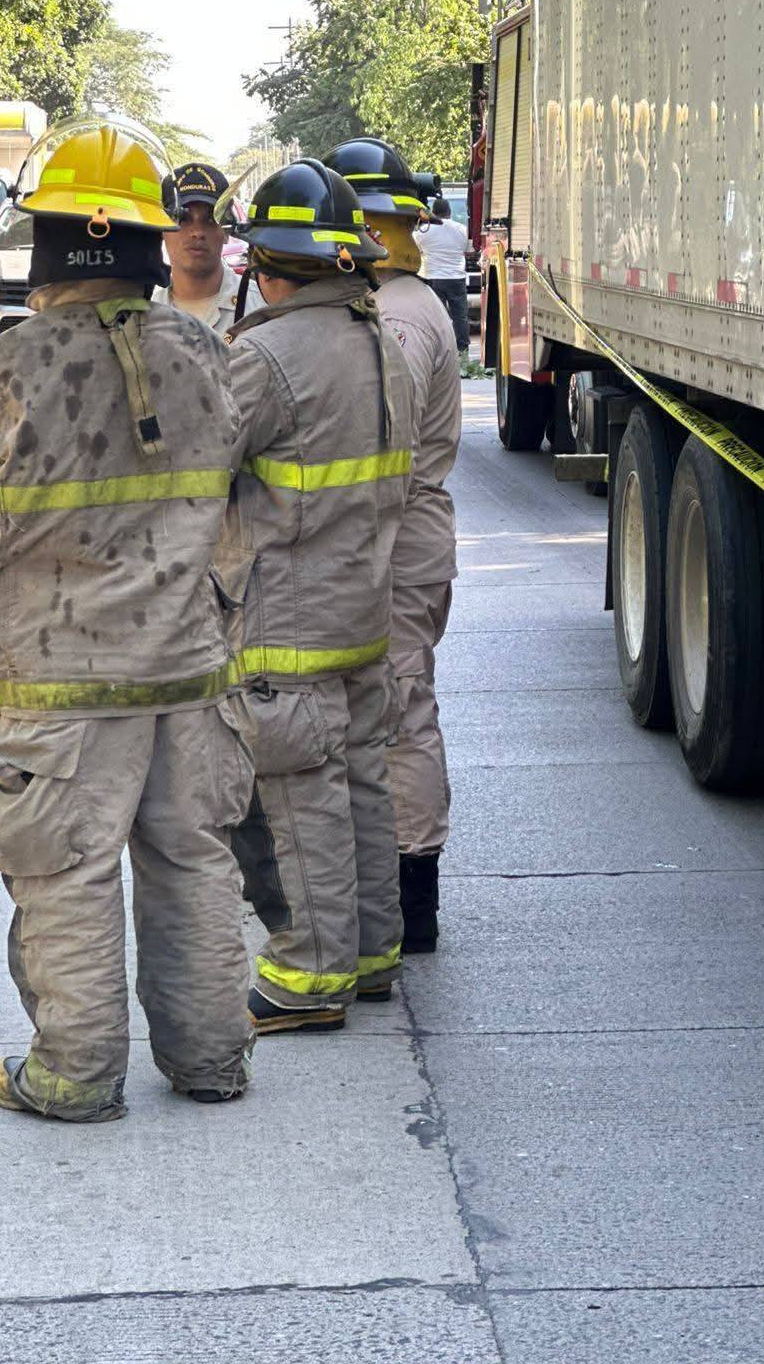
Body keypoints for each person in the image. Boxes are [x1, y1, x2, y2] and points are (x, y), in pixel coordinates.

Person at [0, 118, 255, 1123]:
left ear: (49, 242)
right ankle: (211, 1061)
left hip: (55, 675)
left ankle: (74, 1075)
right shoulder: (207, 354)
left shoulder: (9, 363)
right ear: (145, 241)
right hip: (189, 670)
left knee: (65, 869)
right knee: (193, 858)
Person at [223, 160, 415, 1032]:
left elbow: (198, 471)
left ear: (265, 262)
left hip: (285, 624)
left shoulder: (263, 356)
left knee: (303, 801)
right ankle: (373, 955)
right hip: (361, 612)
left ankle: (309, 976)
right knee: (364, 785)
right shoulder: (387, 344)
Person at [325, 137, 461, 952]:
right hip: (393, 530)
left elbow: (381, 444)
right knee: (387, 704)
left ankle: (414, 896)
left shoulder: (397, 317)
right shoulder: (392, 303)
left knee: (402, 706)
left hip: (395, 531)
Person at [157, 162, 258, 336]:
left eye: (210, 219)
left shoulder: (259, 308)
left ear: (226, 230)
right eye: (183, 218)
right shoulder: (144, 316)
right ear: (162, 229)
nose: (197, 232)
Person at [413, 195, 471, 361]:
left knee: (437, 315)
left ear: (433, 212)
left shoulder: (424, 230)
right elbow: (467, 249)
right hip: (456, 278)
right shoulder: (461, 229)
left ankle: (439, 348)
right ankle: (462, 349)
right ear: (450, 212)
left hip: (433, 277)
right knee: (460, 316)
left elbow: (418, 249)